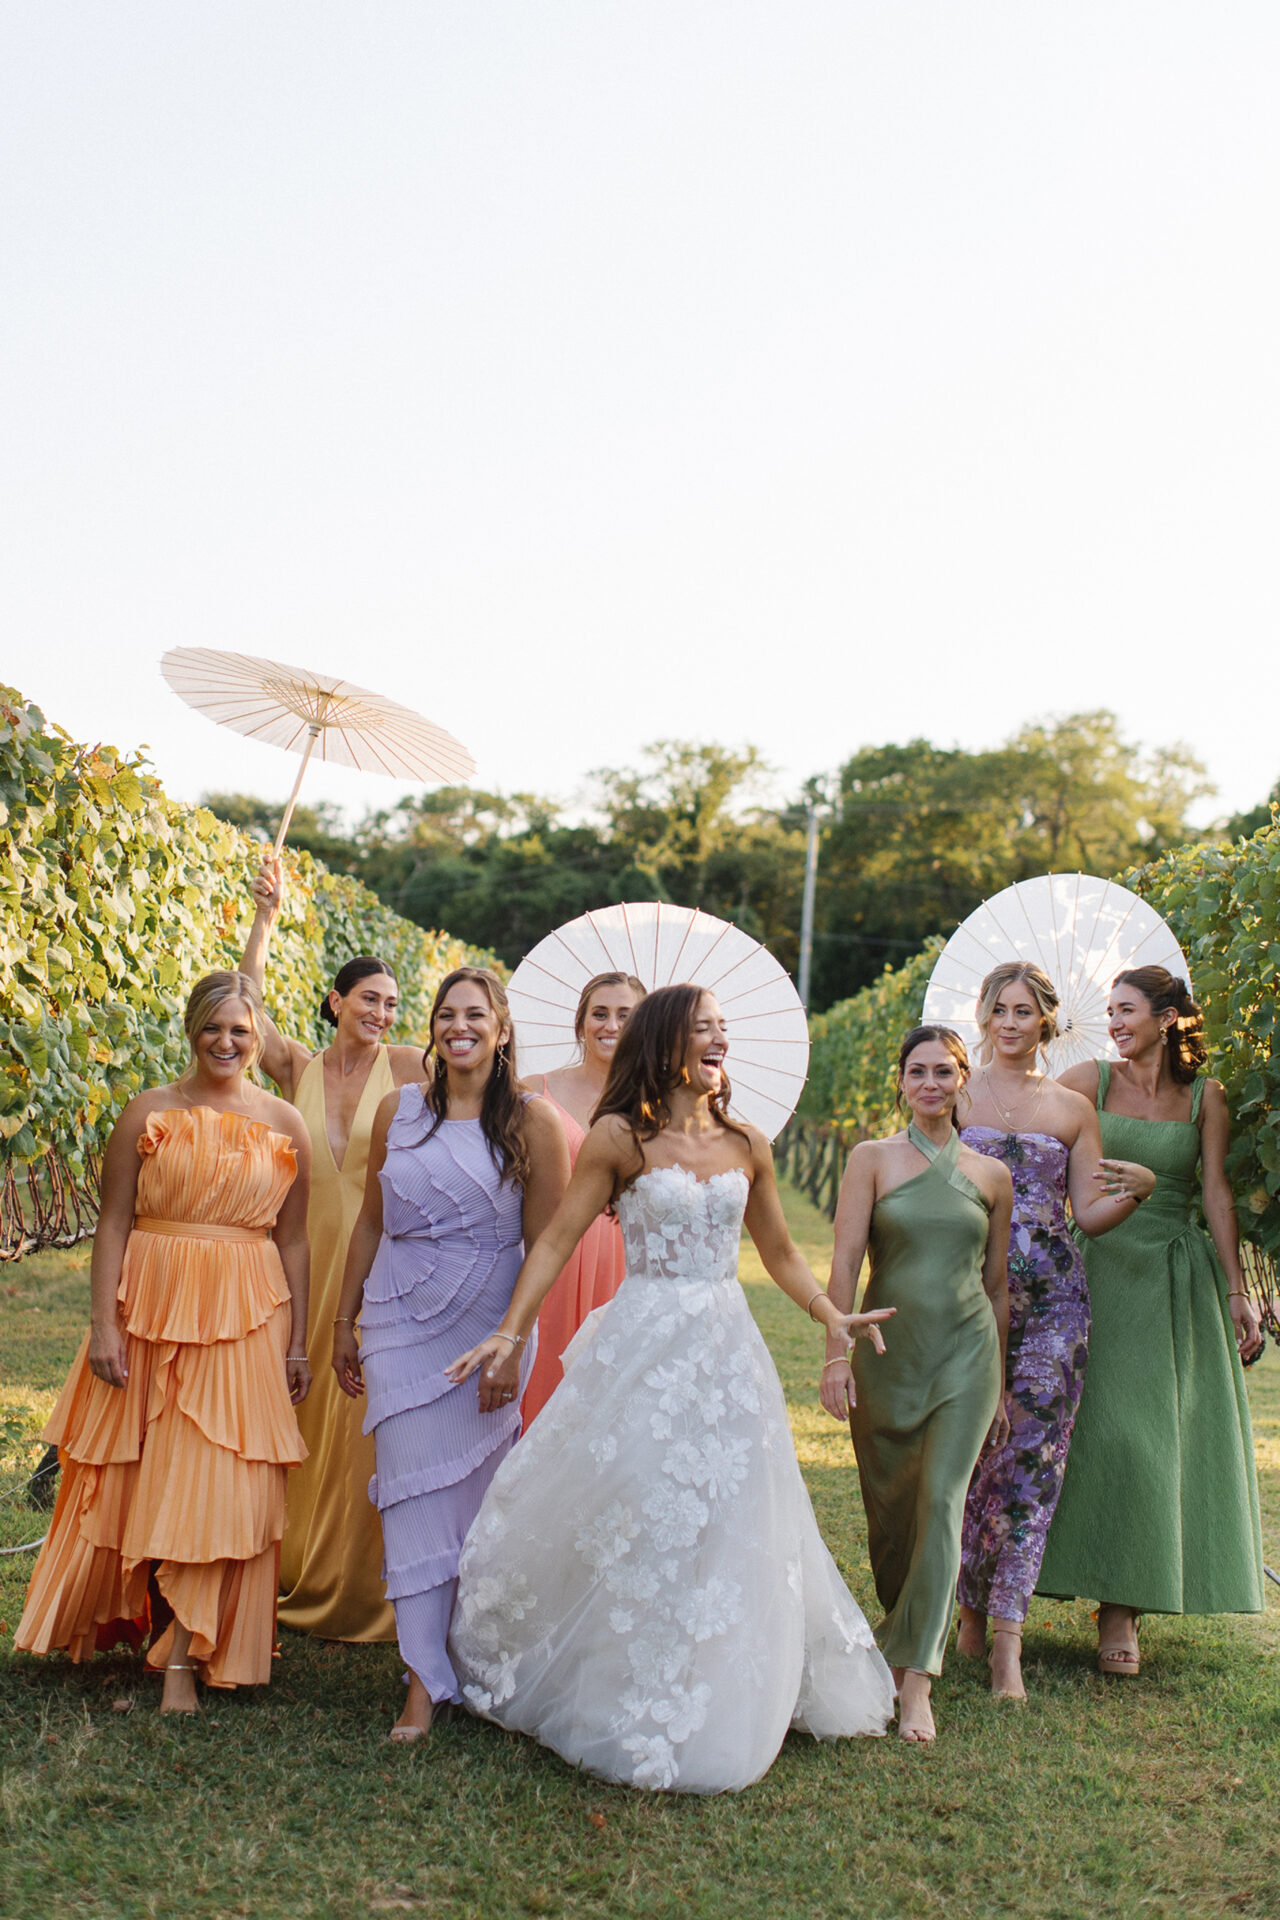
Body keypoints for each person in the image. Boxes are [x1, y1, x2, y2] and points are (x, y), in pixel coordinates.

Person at [445, 984, 897, 1794]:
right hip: (641, 1339)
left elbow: (783, 1256)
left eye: (724, 1029)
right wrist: (512, 1332)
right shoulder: (619, 1137)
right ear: (667, 1042)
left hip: (724, 1347)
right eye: (703, 1030)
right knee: (635, 1499)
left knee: (727, 1511)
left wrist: (832, 1314)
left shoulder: (748, 1142)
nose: (719, 1040)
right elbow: (554, 1240)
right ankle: (612, 1664)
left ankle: (719, 1669)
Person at [15, 972, 311, 1712]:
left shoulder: (285, 1121)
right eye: (213, 1027)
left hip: (246, 1309)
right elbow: (113, 1220)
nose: (226, 1042)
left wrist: (299, 1341)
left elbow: (295, 1240)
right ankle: (150, 1629)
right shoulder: (147, 1111)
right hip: (148, 1302)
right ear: (191, 1029)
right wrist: (102, 1324)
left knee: (219, 1477)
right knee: (142, 1471)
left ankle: (186, 1656)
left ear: (258, 1035)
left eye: (241, 1030)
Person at [331, 966, 570, 1740]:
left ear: (501, 1030)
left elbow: (546, 1246)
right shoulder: (400, 1109)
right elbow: (369, 1220)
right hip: (398, 1320)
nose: (457, 1026)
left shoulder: (533, 1122)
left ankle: (477, 1658)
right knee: (409, 1495)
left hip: (488, 1327)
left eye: (475, 1015)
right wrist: (343, 1320)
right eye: (445, 1014)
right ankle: (421, 1681)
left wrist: (514, 1342)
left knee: (481, 1501)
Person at [1036, 967, 1265, 1672]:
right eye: (1110, 1011)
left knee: (1150, 1436)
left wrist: (1236, 1290)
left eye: (1127, 1010)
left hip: (1172, 1275)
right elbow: (1026, 1146)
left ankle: (1121, 1615)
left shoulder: (1207, 1099)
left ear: (1167, 1019)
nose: (1114, 1022)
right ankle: (1029, 1586)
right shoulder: (1085, 1083)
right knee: (1097, 1430)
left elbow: (1218, 1195)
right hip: (1096, 1266)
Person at [953, 962, 1157, 1699]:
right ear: (983, 1016)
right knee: (975, 1447)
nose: (1010, 1023)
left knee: (1035, 1459)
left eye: (1024, 1011)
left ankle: (1008, 1634)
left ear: (1047, 1020)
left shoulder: (1070, 1108)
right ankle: (967, 1604)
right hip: (968, 1291)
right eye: (998, 1009)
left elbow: (1089, 1213)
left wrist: (1138, 1193)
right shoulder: (954, 1091)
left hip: (1054, 1299)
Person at [239, 856, 430, 1643]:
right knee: (302, 1397)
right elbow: (243, 1005)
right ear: (337, 1002)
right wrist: (265, 919)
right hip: (302, 1257)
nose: (382, 1012)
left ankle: (359, 1574)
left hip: (378, 1258)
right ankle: (289, 1558)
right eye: (369, 999)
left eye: (391, 1002)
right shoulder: (298, 1066)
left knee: (362, 1411)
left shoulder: (414, 1067)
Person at [819, 1025, 1012, 1745]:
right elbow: (842, 1267)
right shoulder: (871, 1159)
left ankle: (917, 1682)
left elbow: (996, 1288)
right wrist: (834, 1356)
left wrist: (1000, 1380)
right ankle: (902, 1621)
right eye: (917, 1072)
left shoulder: (993, 1176)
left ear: (963, 1080)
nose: (930, 1083)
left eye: (944, 1071)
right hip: (885, 1353)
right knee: (893, 1511)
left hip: (966, 1356)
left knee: (940, 1499)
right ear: (899, 1082)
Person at [520, 969, 645, 1422]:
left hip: (623, 1258)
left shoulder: (656, 1104)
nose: (611, 1026)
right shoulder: (535, 1090)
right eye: (600, 1014)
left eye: (625, 1015)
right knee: (542, 1382)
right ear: (580, 1024)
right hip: (551, 1249)